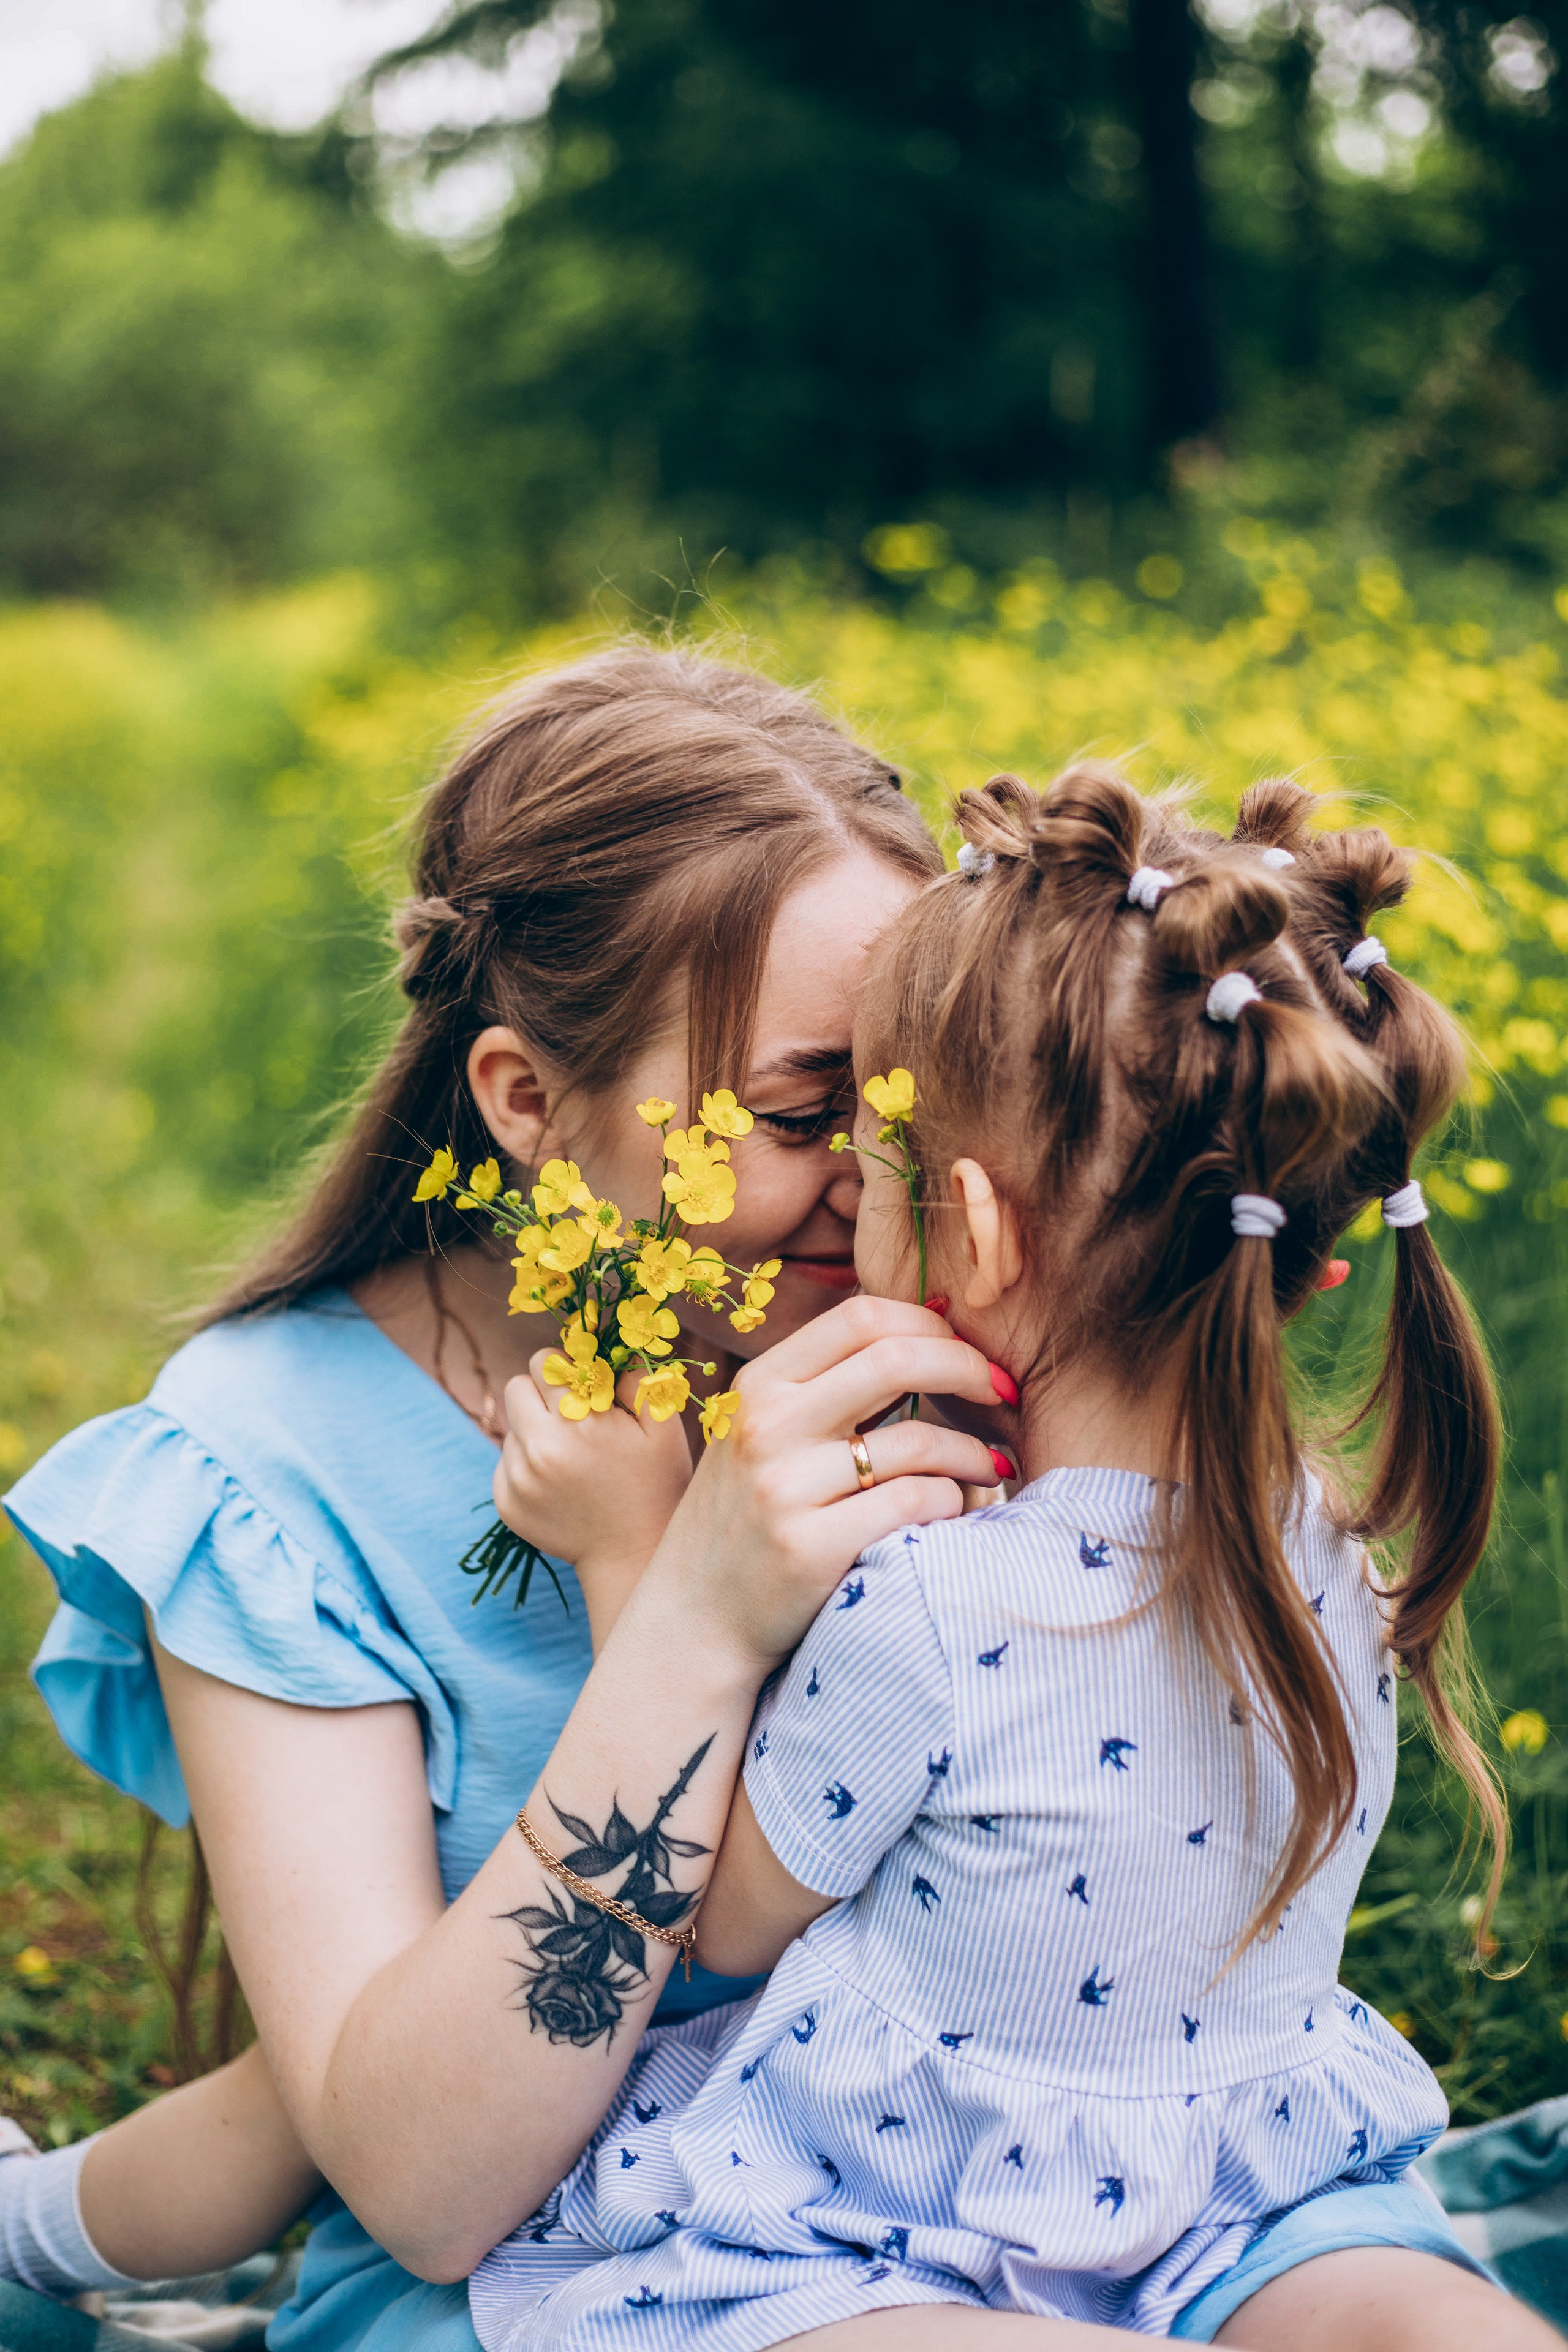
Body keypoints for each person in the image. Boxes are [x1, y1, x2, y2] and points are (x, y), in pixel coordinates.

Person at [460, 768, 1555, 2350]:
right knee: (1427, 2322)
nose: (847, 1184)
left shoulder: (934, 1600)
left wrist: (643, 1556)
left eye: (877, 1153)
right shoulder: (1332, 1539)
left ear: (968, 1231)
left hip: (888, 2217)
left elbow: (717, 1922)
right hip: (1242, 2195)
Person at [0, 646, 1009, 2349]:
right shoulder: (271, 1471)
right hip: (554, 2288)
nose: (877, 1173)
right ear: (528, 1102)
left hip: (1022, 2201)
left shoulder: (960, 1340)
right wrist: (683, 1613)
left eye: (923, 1097)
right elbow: (428, 2184)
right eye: (797, 1110)